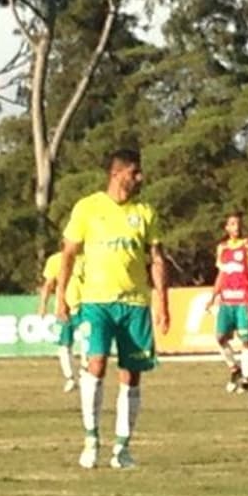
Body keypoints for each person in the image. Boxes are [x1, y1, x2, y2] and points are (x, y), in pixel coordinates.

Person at [56, 148, 170, 469]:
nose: (139, 178)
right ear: (117, 173)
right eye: (134, 172)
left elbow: (157, 259)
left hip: (135, 303)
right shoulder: (88, 208)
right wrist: (62, 294)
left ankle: (122, 447)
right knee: (96, 363)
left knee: (131, 374)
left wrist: (162, 301)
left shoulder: (145, 212)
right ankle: (91, 439)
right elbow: (67, 253)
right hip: (96, 301)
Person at [205, 210, 248, 393]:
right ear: (227, 227)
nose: (236, 227)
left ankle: (246, 379)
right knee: (220, 337)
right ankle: (234, 368)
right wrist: (213, 296)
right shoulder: (222, 248)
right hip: (226, 301)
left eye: (238, 223)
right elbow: (221, 274)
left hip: (243, 300)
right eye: (232, 224)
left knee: (246, 340)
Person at [38, 250, 86, 392]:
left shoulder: (85, 257)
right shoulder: (55, 260)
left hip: (84, 307)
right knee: (64, 344)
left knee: (88, 341)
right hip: (63, 309)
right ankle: (70, 378)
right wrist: (43, 305)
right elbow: (49, 284)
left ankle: (85, 374)